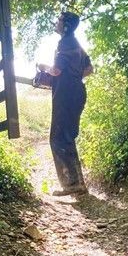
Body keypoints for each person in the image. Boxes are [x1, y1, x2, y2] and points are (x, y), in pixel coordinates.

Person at [38, 11, 93, 197]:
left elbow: (55, 70)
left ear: (66, 25)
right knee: (67, 136)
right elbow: (89, 69)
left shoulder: (65, 43)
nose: (56, 21)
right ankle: (78, 184)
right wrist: (73, 78)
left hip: (66, 96)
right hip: (76, 93)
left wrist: (42, 67)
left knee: (58, 137)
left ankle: (71, 185)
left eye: (59, 20)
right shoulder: (77, 45)